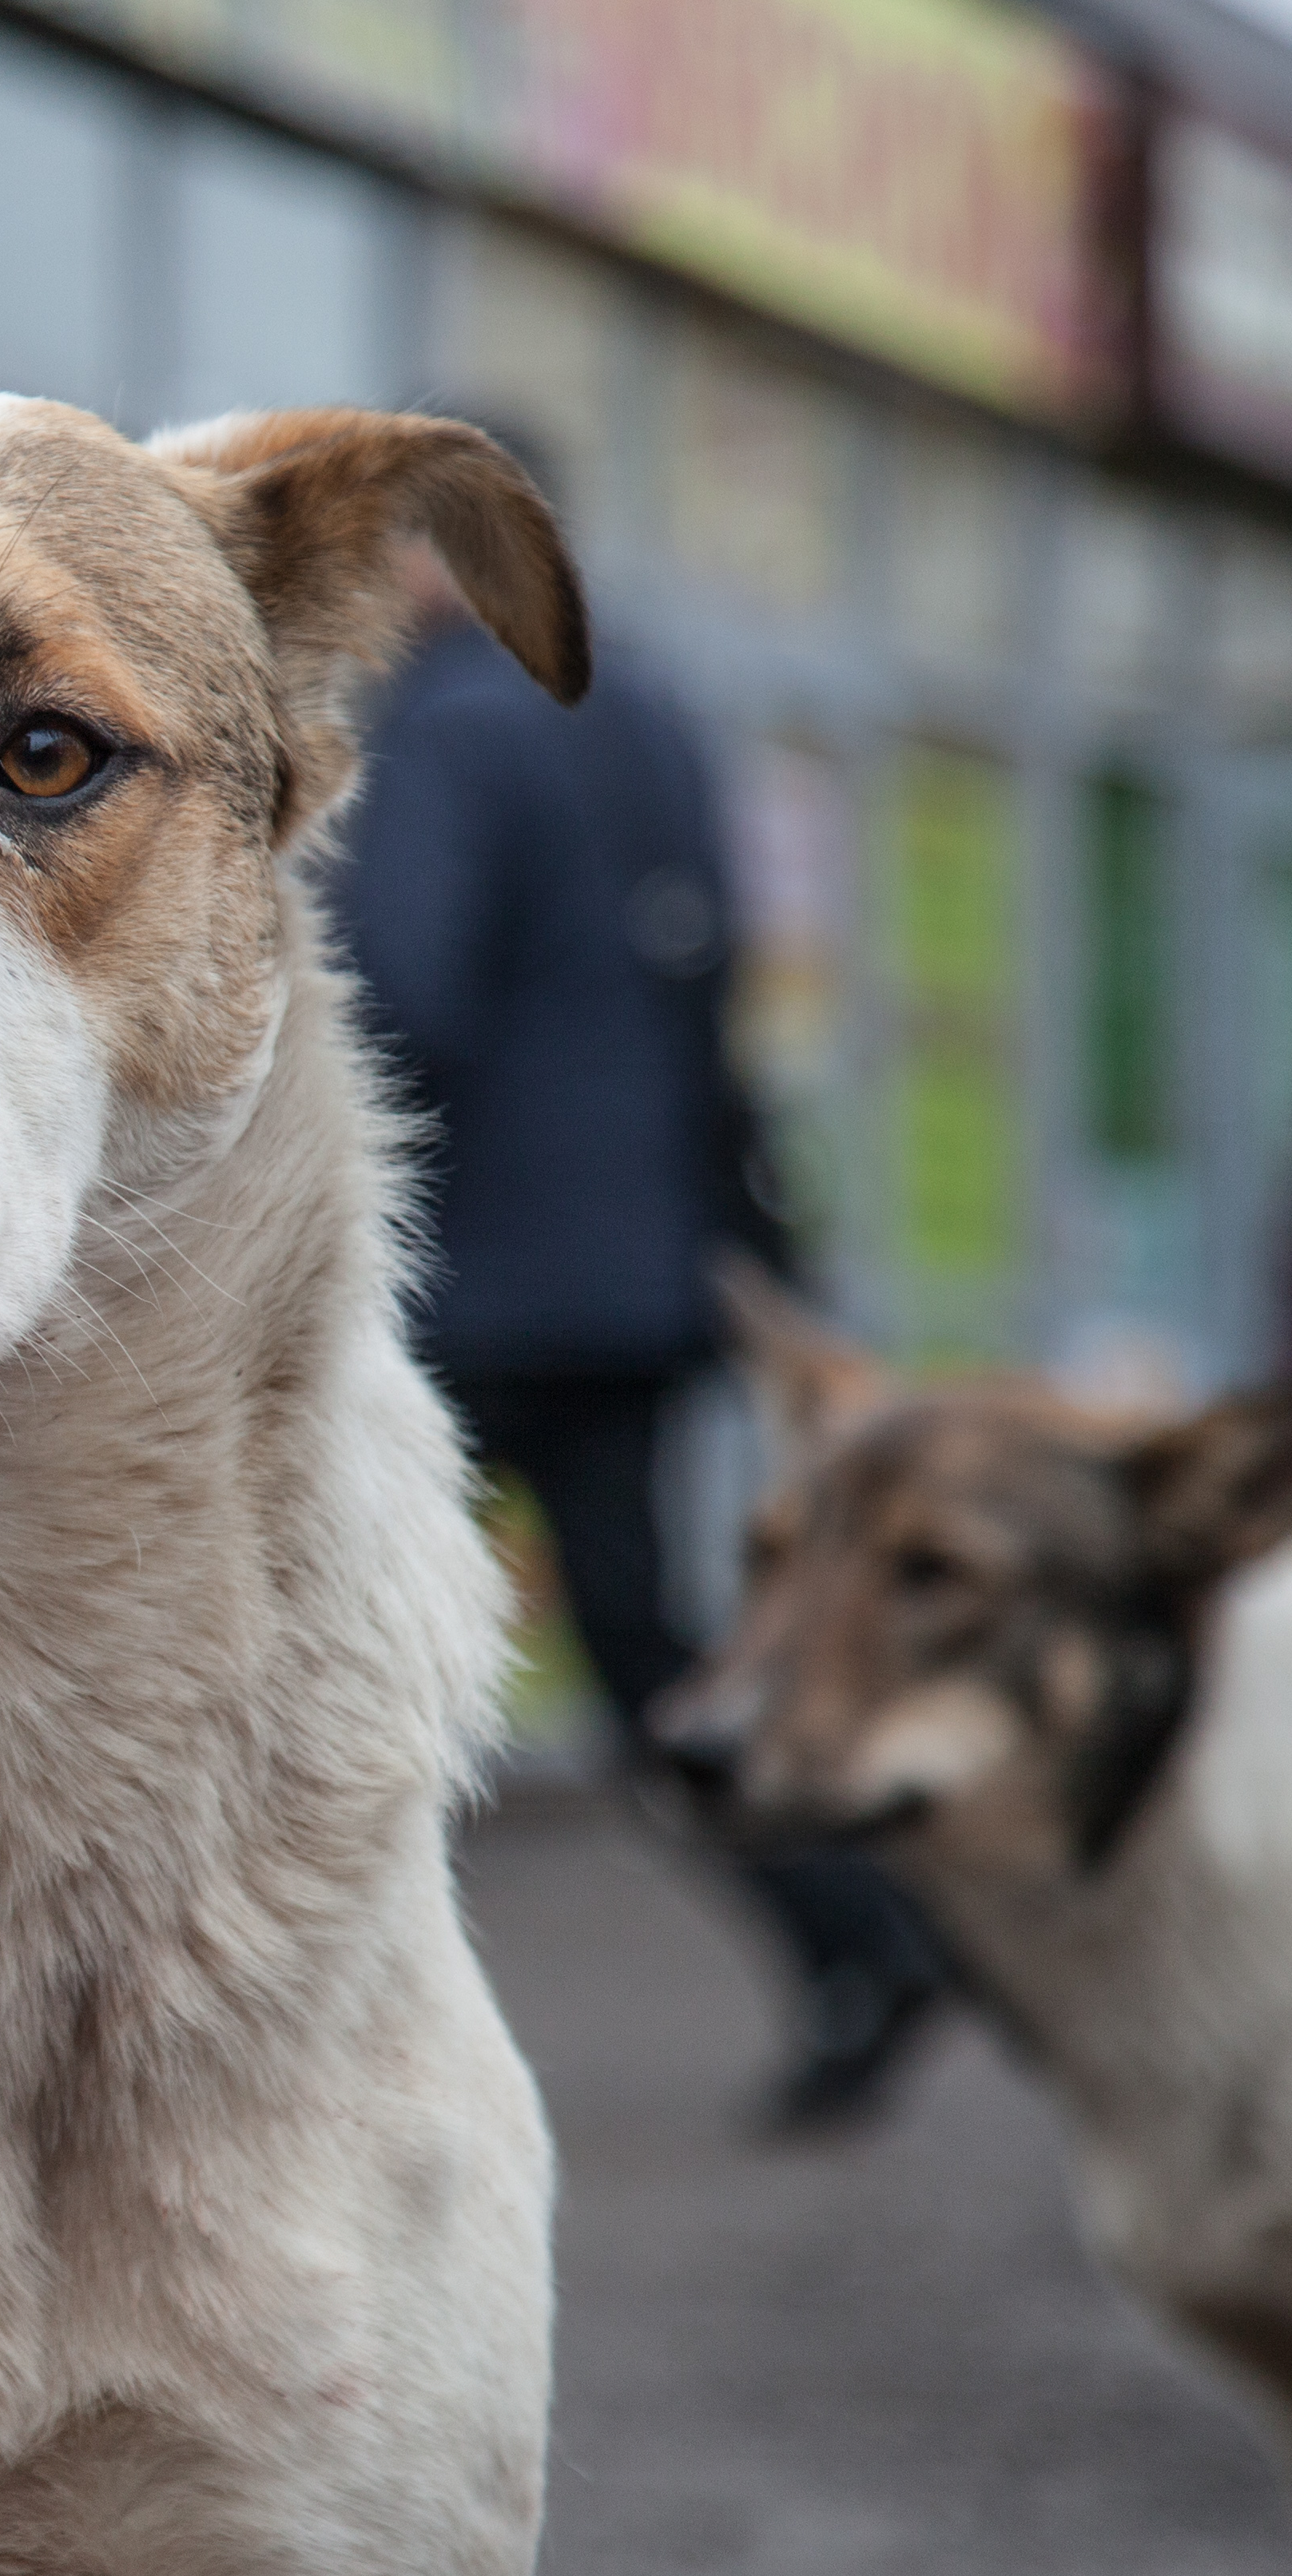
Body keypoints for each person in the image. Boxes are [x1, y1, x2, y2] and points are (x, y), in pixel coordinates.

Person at [333, 459, 968, 2134]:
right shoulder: (655, 716)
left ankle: (313, 2044)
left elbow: (400, 996)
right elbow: (710, 991)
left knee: (334, 1632)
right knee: (633, 1635)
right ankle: (859, 1929)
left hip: (475, 1281)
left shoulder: (453, 723)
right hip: (638, 1274)